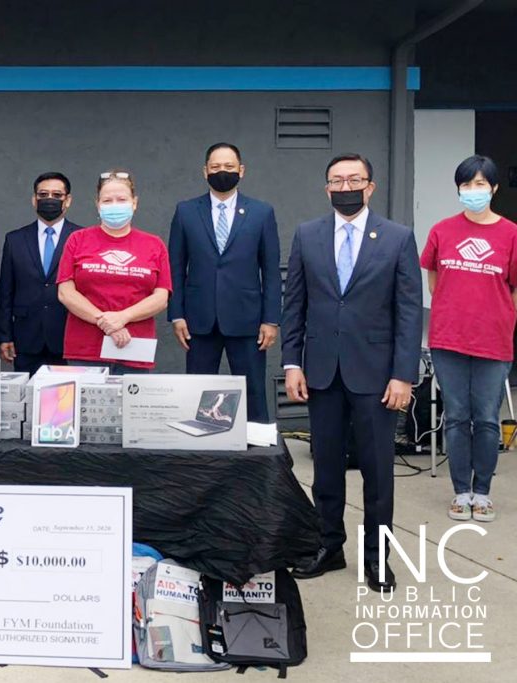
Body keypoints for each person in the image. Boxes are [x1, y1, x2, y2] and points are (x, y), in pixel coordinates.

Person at [282, 153, 421, 590]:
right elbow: (295, 306)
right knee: (325, 469)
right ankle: (329, 546)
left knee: (378, 473)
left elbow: (408, 312)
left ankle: (377, 559)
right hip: (321, 372)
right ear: (326, 188)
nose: (346, 187)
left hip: (378, 376)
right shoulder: (307, 235)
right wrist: (292, 363)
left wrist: (404, 374)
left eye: (354, 179)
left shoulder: (398, 239)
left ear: (370, 186)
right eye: (337, 180)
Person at [421, 155, 517, 523]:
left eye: (480, 184)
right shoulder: (443, 230)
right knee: (457, 417)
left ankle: (484, 492)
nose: (473, 191)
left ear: (493, 188)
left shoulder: (510, 233)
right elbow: (434, 277)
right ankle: (462, 492)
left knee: (488, 418)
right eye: (466, 185)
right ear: (458, 189)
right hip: (449, 340)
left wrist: (501, 320)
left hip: (493, 341)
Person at [168, 143, 281, 422]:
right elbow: (176, 266)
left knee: (253, 389)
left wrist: (271, 319)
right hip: (199, 319)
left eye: (229, 167)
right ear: (205, 171)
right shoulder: (185, 211)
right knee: (198, 389)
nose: (222, 172)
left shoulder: (261, 212)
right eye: (216, 167)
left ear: (241, 171)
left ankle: (257, 452)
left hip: (248, 319)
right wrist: (177, 314)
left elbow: (270, 270)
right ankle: (200, 450)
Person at [56, 170, 172, 374]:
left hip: (134, 349)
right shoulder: (77, 239)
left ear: (134, 203)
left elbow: (161, 297)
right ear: (97, 204)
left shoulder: (154, 245)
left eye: (122, 199)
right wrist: (108, 322)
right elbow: (66, 292)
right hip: (85, 350)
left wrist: (124, 317)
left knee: (132, 406)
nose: (114, 205)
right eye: (107, 200)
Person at [0, 172, 83, 374]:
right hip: (26, 339)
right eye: (43, 195)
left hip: (68, 335)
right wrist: (4, 336)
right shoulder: (15, 239)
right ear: (34, 200)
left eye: (57, 195)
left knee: (65, 403)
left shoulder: (82, 238)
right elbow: (5, 292)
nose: (49, 200)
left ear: (67, 200)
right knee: (26, 401)